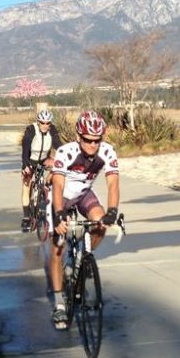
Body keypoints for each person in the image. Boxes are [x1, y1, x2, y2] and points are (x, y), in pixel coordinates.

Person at [48, 110, 120, 331]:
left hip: (83, 195)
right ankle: (59, 302)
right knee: (57, 248)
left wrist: (112, 211)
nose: (92, 145)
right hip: (62, 198)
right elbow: (58, 186)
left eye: (97, 140)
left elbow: (112, 184)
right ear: (79, 136)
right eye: (88, 140)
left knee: (101, 222)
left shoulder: (107, 152)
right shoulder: (65, 152)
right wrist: (59, 214)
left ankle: (82, 257)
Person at [20, 109, 62, 232]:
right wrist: (25, 165)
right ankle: (27, 217)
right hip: (31, 159)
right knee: (26, 184)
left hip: (44, 159)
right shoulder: (31, 130)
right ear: (38, 122)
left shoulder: (52, 130)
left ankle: (47, 191)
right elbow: (25, 149)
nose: (45, 125)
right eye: (42, 123)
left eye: (48, 123)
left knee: (59, 169)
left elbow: (58, 145)